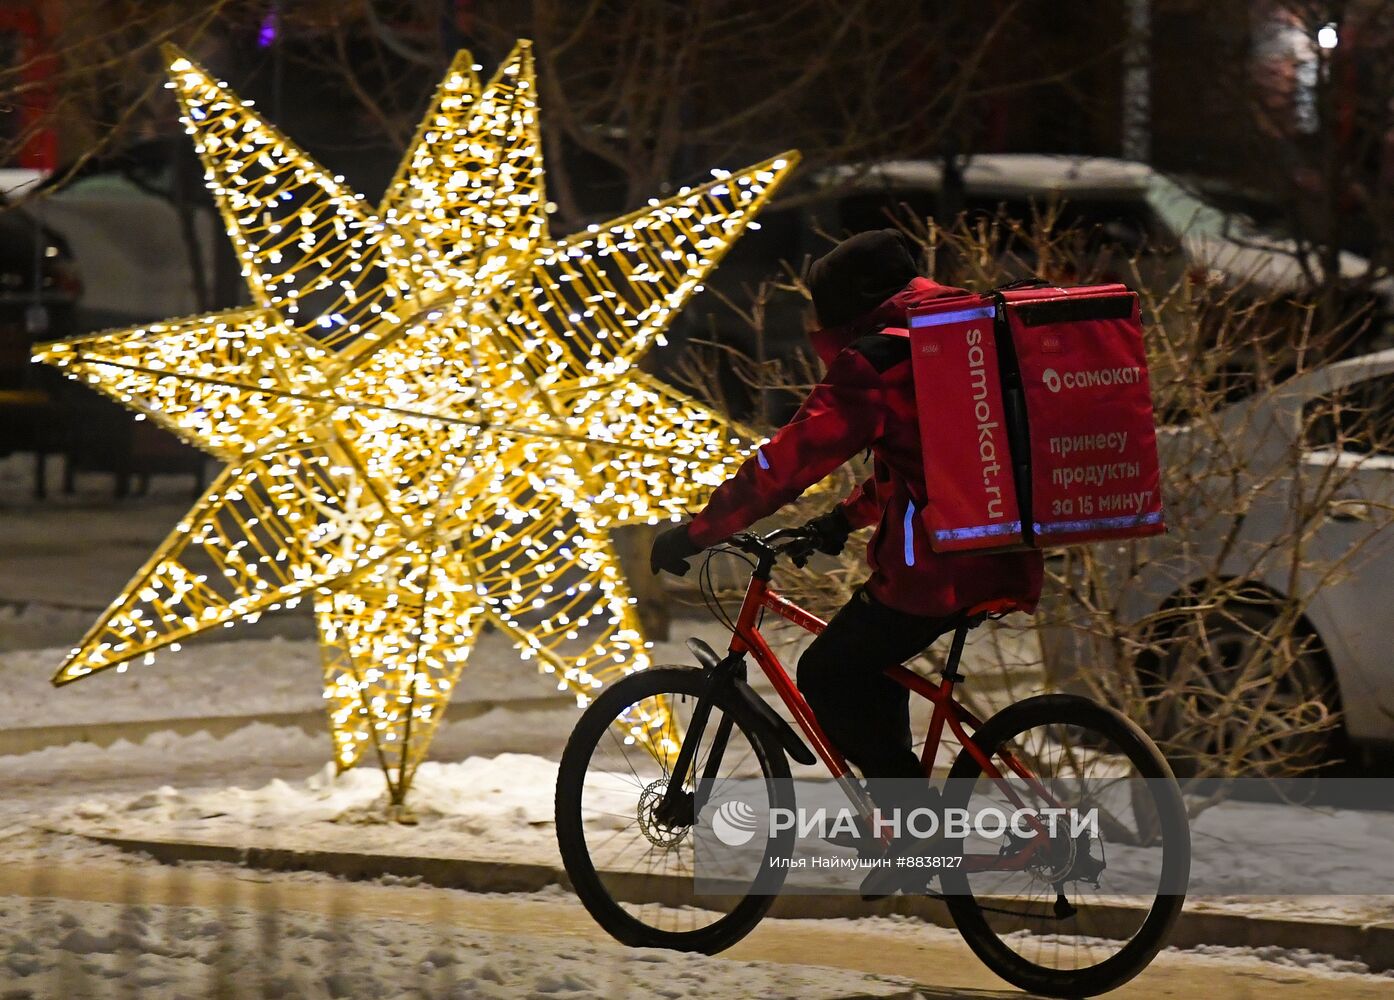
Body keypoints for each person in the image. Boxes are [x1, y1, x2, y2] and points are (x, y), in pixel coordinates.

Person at [649, 229, 1045, 894]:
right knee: (871, 664)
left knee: (827, 671)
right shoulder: (951, 338)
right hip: (1002, 554)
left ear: (844, 309)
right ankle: (906, 840)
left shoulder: (878, 362)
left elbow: (789, 461)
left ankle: (918, 838)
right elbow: (926, 465)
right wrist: (842, 520)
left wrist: (697, 531)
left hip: (938, 575)